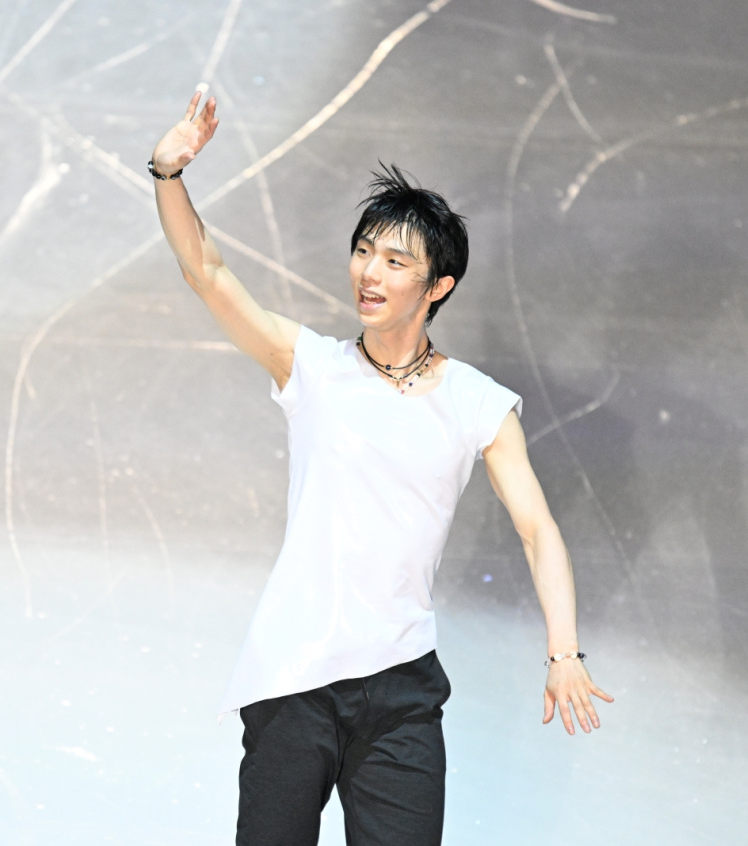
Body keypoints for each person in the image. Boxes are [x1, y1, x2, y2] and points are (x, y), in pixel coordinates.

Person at [149, 90, 613, 846]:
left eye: (396, 261)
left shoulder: (478, 403)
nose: (369, 272)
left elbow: (538, 530)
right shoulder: (312, 368)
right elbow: (209, 273)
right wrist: (168, 174)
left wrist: (564, 652)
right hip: (292, 680)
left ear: (438, 287)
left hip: (401, 692)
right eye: (363, 251)